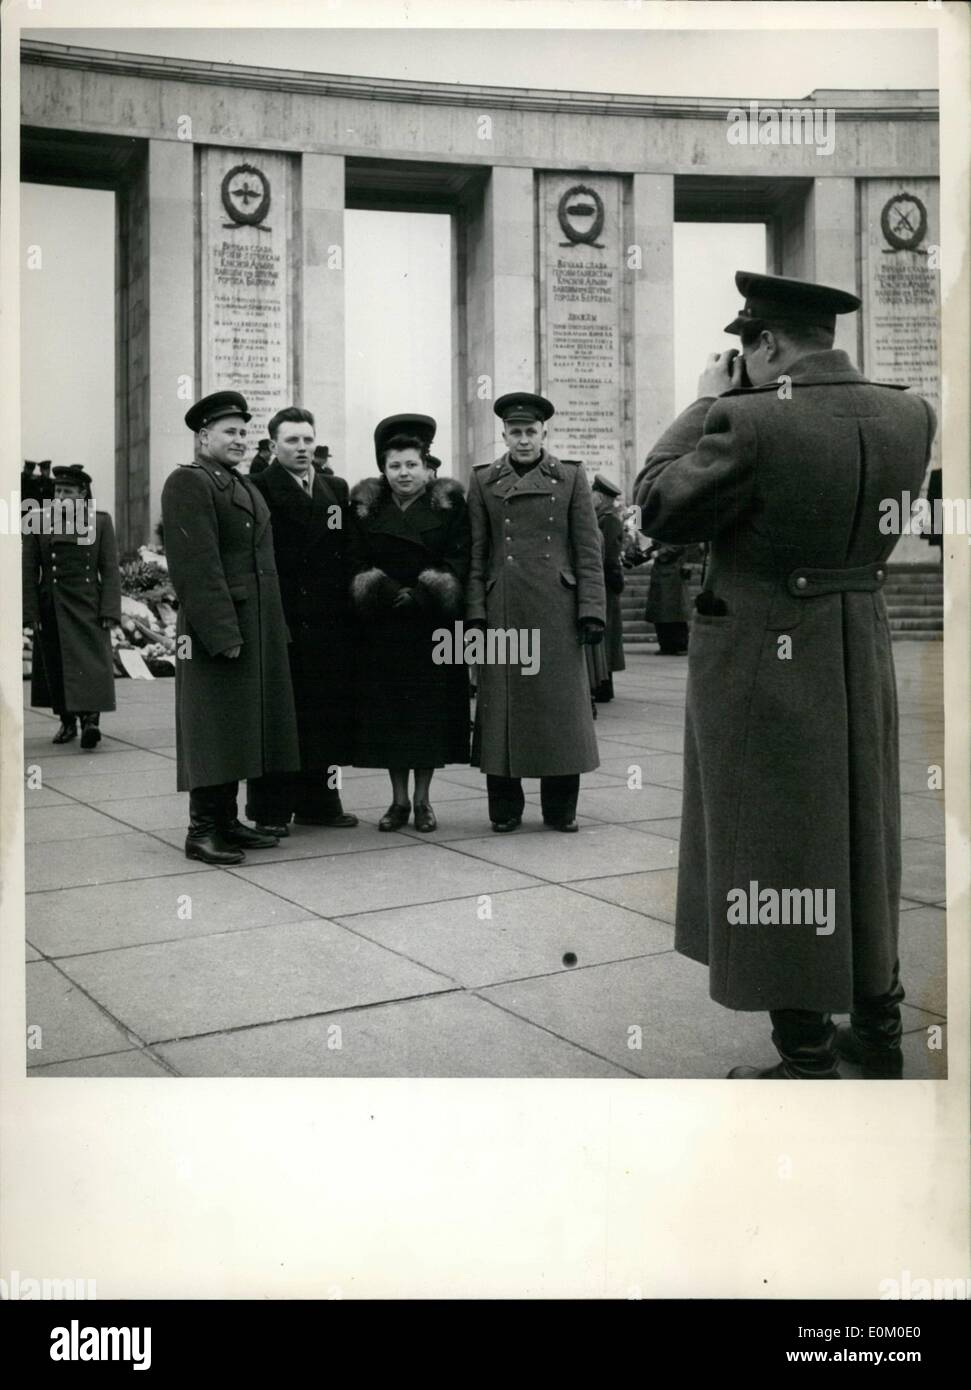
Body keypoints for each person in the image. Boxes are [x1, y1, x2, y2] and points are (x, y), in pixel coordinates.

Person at [636, 270, 936, 1080]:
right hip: (857, 644)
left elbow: (657, 504)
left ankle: (802, 1056)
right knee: (860, 838)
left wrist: (703, 402)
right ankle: (877, 1033)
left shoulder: (746, 418)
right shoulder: (912, 413)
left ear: (765, 345)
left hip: (763, 661)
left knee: (769, 846)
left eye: (746, 350)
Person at [161, 391, 300, 865]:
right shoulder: (189, 483)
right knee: (212, 728)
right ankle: (201, 830)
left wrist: (272, 631)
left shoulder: (240, 485)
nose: (240, 440)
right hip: (216, 630)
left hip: (255, 626)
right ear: (203, 437)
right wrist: (222, 634)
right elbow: (196, 568)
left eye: (244, 432)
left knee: (240, 727)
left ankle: (226, 821)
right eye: (229, 432)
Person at [466, 393, 606, 833]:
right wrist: (474, 611)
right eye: (515, 432)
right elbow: (477, 553)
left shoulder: (570, 478)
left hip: (558, 611)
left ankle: (560, 810)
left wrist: (592, 610)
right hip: (503, 607)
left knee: (558, 710)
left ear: (545, 433)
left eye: (530, 432)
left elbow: (588, 550)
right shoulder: (485, 480)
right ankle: (505, 810)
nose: (523, 439)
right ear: (504, 435)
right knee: (501, 709)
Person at [348, 413, 471, 832]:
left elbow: (461, 556)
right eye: (395, 465)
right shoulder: (364, 508)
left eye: (411, 464)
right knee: (391, 716)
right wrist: (381, 589)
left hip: (431, 628)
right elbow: (353, 557)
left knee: (428, 716)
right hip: (384, 628)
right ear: (384, 468)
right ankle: (397, 802)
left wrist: (425, 591)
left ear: (426, 466)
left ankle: (423, 802)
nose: (404, 473)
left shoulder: (452, 506)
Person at [244, 406, 357, 835]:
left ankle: (320, 803)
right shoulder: (257, 487)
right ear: (273, 446)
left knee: (323, 714)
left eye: (308, 439)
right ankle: (269, 810)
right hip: (283, 619)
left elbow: (343, 552)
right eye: (292, 440)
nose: (303, 448)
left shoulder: (334, 489)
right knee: (277, 717)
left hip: (327, 623)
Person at [22, 465, 121, 748]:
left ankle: (91, 721)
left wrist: (110, 610)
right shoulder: (38, 521)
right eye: (57, 490)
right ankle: (67, 722)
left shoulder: (100, 522)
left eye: (67, 491)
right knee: (56, 665)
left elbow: (110, 569)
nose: (60, 496)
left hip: (88, 605)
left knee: (91, 665)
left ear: (82, 494)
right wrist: (30, 613)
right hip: (51, 605)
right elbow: (29, 571)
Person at [590, 473, 627, 701]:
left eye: (593, 494)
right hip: (602, 581)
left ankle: (604, 685)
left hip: (605, 582)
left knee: (607, 634)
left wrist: (613, 579)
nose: (590, 497)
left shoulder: (609, 519)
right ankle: (601, 682)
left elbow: (610, 555)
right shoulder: (600, 516)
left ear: (601, 496)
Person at [643, 542, 691, 655]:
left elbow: (679, 544)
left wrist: (660, 552)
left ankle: (680, 645)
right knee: (660, 612)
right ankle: (666, 645)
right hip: (661, 572)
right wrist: (645, 553)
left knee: (675, 611)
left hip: (672, 572)